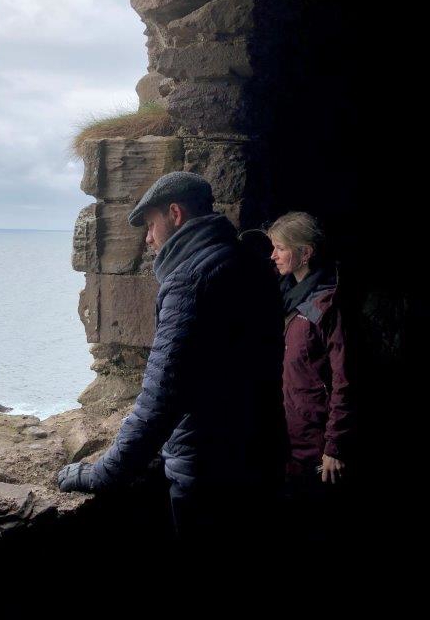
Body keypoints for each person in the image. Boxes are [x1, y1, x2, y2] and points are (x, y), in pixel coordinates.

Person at [58, 171, 288, 546]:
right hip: (261, 452)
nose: (148, 240)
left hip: (211, 471)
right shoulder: (248, 262)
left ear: (175, 214)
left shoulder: (191, 280)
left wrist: (101, 474)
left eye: (150, 225)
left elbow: (160, 397)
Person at [265, 212, 354, 534]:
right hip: (290, 436)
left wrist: (335, 446)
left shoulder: (329, 304)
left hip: (318, 442)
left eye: (280, 247)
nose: (273, 255)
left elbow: (345, 379)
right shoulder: (285, 296)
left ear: (305, 252)